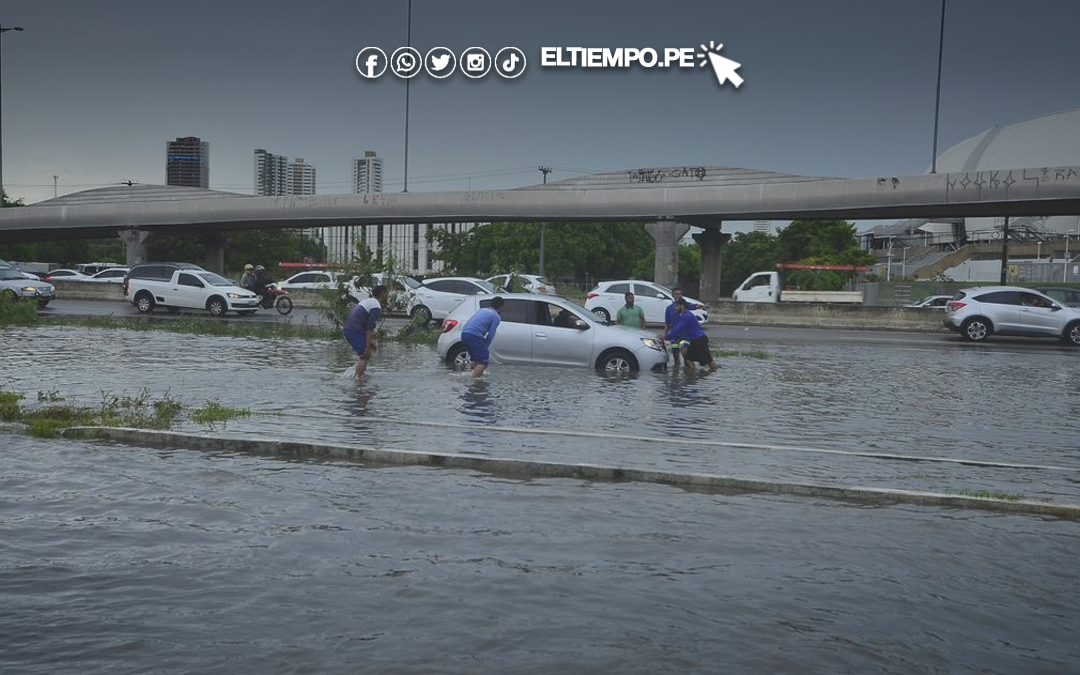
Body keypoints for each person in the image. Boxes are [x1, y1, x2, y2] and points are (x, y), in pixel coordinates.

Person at [343, 284, 388, 379]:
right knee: (365, 355)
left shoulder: (369, 301)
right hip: (354, 330)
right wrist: (367, 346)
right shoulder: (376, 306)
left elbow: (363, 322)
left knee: (365, 355)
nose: (388, 296)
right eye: (387, 293)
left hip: (351, 329)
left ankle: (359, 377)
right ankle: (359, 383)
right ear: (383, 294)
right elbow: (369, 328)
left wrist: (370, 342)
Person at [663, 297, 717, 372]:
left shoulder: (686, 316)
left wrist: (665, 337)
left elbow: (677, 330)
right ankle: (691, 377)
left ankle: (713, 374)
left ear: (681, 306)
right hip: (694, 341)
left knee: (709, 361)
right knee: (688, 358)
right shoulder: (685, 315)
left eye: (676, 306)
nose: (675, 308)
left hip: (700, 340)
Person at [461, 296, 504, 378]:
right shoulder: (496, 316)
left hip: (464, 334)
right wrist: (485, 346)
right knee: (483, 361)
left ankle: (470, 375)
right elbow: (491, 334)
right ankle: (474, 384)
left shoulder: (482, 310)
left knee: (476, 360)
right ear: (501, 307)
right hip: (474, 336)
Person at [664, 288, 702, 366]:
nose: (678, 295)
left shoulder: (685, 305)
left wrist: (703, 306)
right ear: (672, 295)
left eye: (680, 294)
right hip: (674, 337)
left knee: (685, 354)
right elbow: (667, 323)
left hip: (685, 336)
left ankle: (689, 371)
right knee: (675, 356)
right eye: (676, 294)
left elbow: (694, 306)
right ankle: (677, 374)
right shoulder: (668, 308)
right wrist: (665, 335)